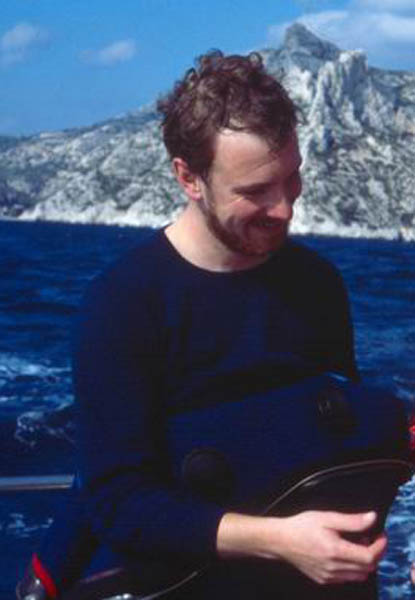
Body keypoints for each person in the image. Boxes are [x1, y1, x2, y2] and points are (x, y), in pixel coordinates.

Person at [20, 50, 393, 600]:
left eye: (292, 178)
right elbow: (117, 502)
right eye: (255, 191)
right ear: (189, 179)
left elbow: (341, 429)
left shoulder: (317, 282)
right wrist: (279, 542)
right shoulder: (122, 305)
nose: (285, 209)